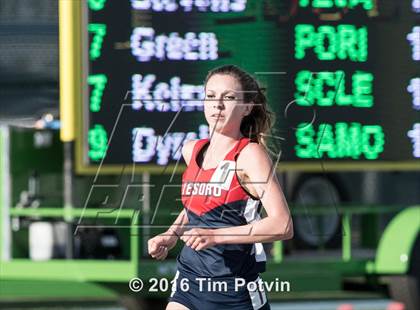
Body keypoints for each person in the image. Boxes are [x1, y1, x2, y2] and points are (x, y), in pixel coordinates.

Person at [148, 64, 293, 310]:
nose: (217, 105)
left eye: (228, 98)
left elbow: (283, 225)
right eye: (211, 96)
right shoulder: (191, 150)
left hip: (234, 292)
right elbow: (198, 207)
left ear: (247, 107)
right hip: (189, 282)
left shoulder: (250, 155)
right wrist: (171, 235)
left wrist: (215, 236)